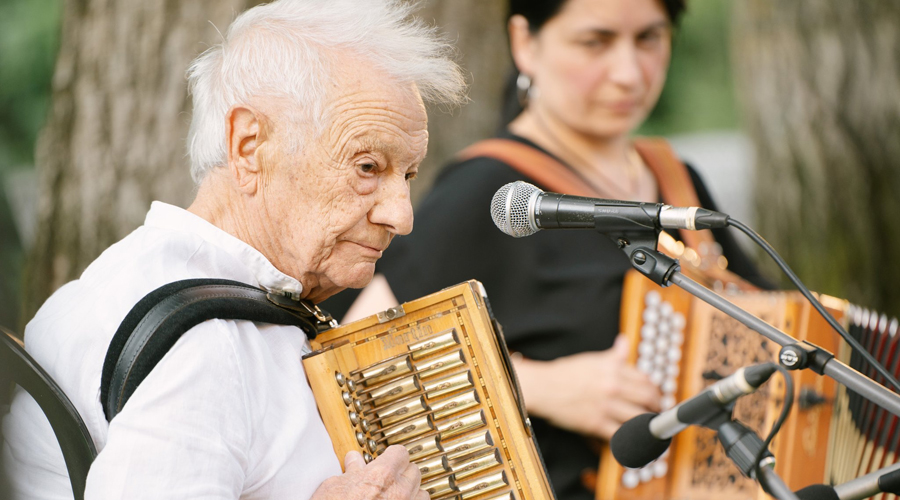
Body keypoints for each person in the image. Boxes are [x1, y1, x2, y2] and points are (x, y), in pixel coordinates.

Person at [0, 0, 465, 498]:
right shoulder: (204, 348)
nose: (402, 215)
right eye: (368, 167)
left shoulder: (145, 279)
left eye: (409, 175)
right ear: (248, 145)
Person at [325, 0, 772, 499]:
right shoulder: (487, 192)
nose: (629, 72)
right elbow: (359, 366)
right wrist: (534, 386)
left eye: (649, 38)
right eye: (594, 41)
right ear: (525, 43)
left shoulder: (677, 182)